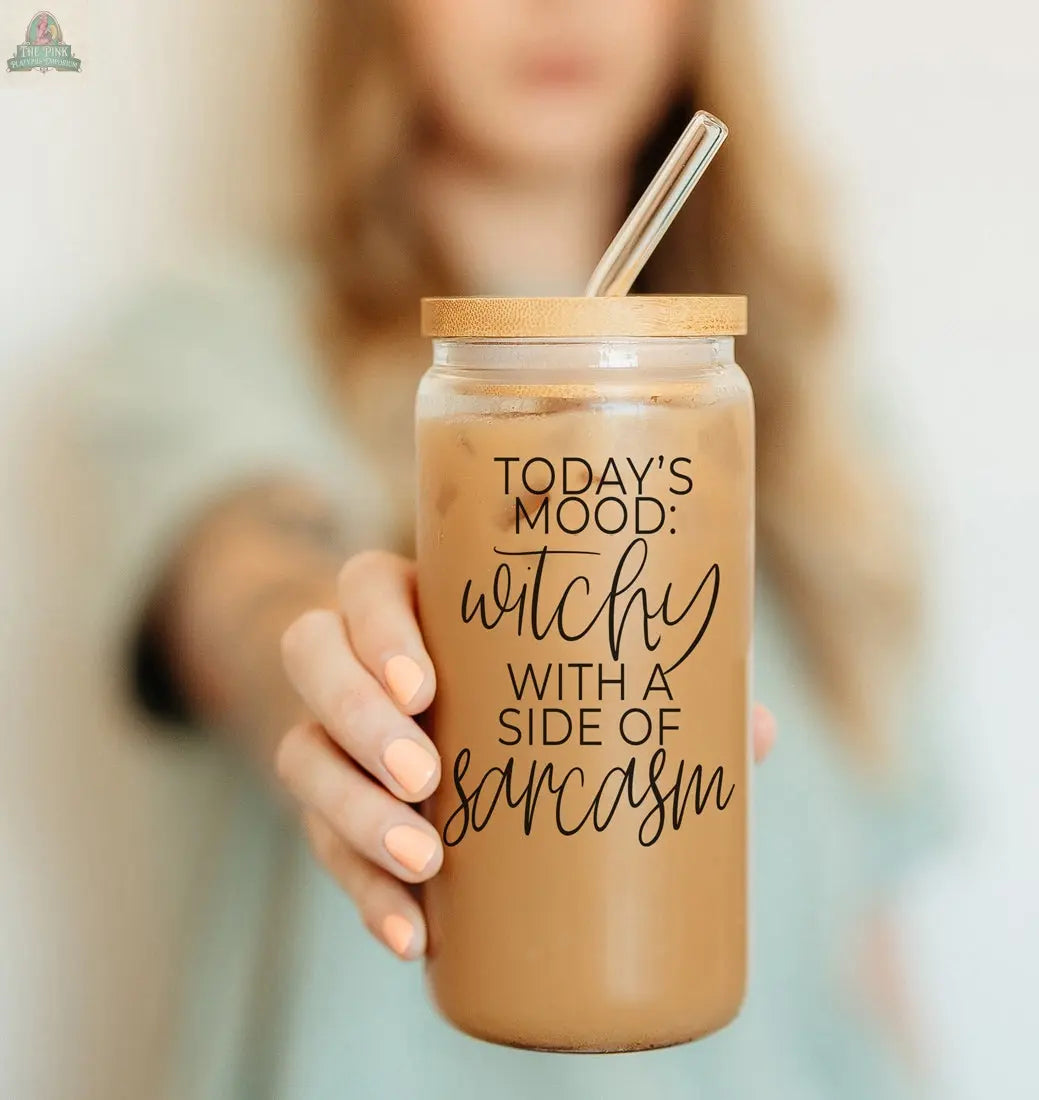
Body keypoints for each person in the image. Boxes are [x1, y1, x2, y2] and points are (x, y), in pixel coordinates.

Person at [76, 0, 949, 1096]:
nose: (560, 6)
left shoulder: (816, 419)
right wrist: (340, 672)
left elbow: (861, 942)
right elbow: (245, 575)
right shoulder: (217, 339)